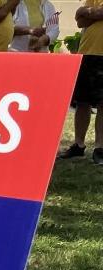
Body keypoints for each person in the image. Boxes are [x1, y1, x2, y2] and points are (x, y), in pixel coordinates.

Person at [61, 0, 103, 163]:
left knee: (102, 103)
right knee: (82, 101)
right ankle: (78, 145)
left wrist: (85, 11)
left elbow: (93, 14)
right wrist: (87, 12)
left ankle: (100, 147)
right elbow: (80, 21)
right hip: (86, 53)